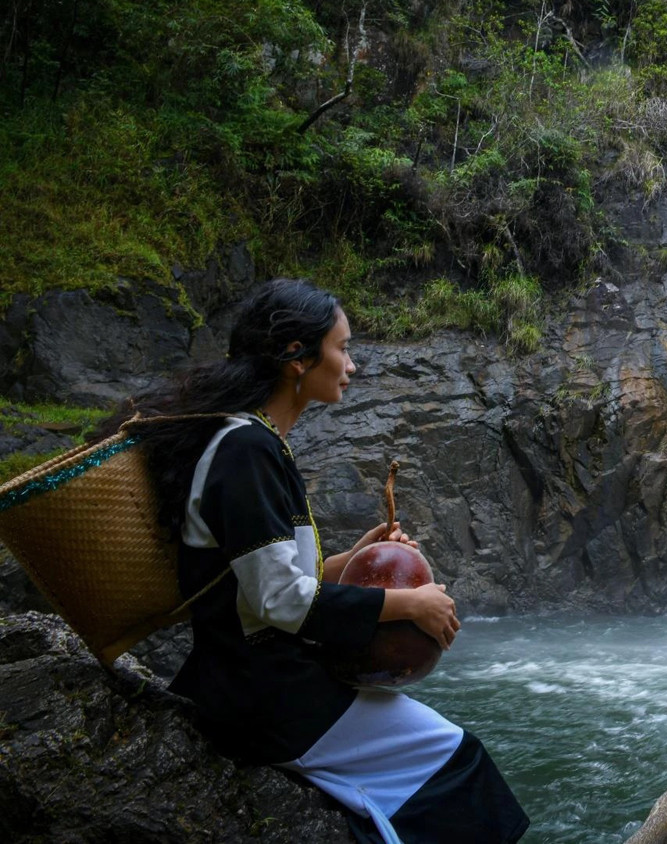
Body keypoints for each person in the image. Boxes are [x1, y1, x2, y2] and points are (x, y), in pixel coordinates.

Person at [119, 279, 529, 843]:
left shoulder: (254, 441)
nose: (352, 365)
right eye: (342, 347)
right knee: (460, 763)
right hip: (264, 692)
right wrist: (409, 604)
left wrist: (358, 558)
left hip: (254, 681)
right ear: (297, 356)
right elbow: (279, 601)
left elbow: (260, 582)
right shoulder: (246, 449)